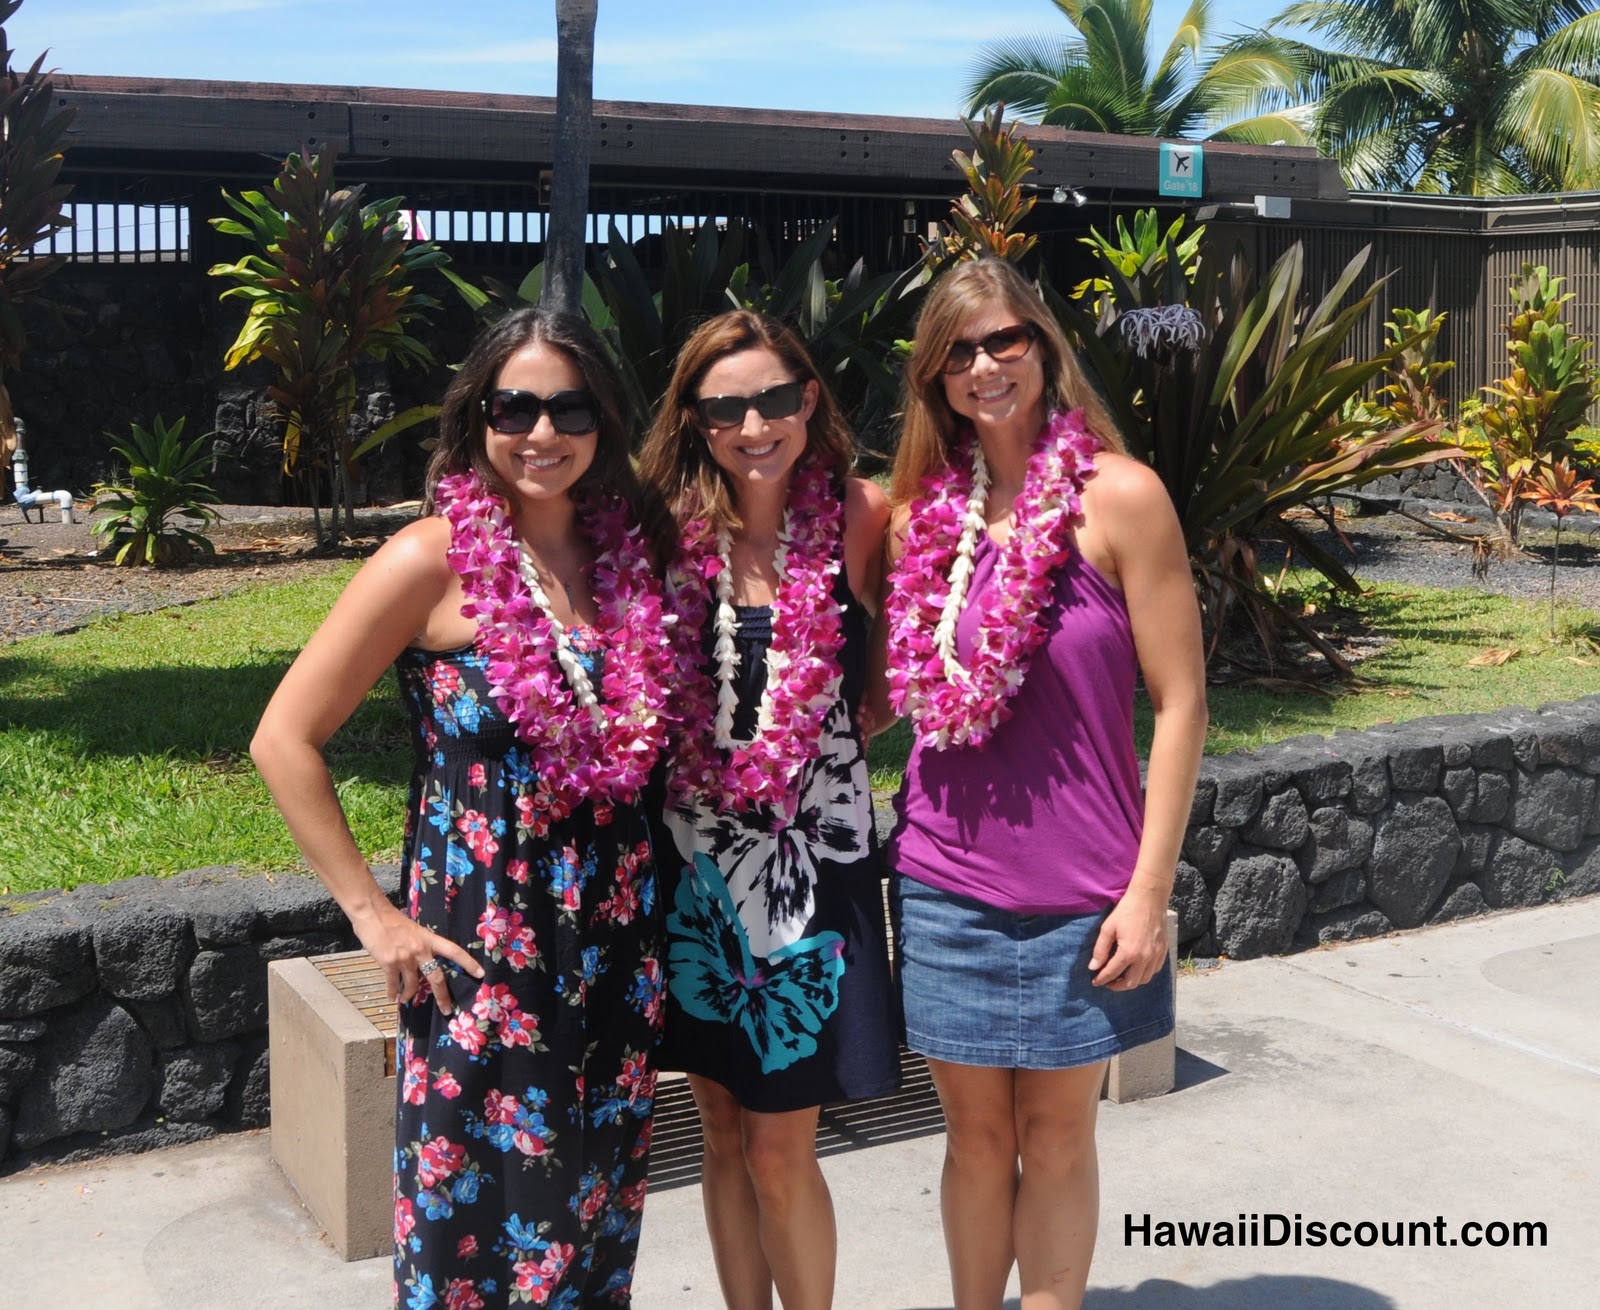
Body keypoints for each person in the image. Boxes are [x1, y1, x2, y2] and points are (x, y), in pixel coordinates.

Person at [251, 307, 676, 1309]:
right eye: (514, 407)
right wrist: (373, 915)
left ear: (605, 418)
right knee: (474, 1237)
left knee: (590, 1226)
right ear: (477, 418)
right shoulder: (428, 560)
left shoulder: (630, 560)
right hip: (480, 953)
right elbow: (283, 738)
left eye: (569, 407)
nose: (542, 432)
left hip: (616, 952)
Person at [875, 257, 1207, 1310]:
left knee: (1059, 1137)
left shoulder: (1122, 498)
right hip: (945, 883)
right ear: (935, 377)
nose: (984, 366)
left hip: (1087, 893)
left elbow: (1183, 703)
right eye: (959, 352)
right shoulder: (918, 520)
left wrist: (1149, 891)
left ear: (1042, 344)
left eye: (1003, 339)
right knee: (974, 1140)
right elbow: (878, 691)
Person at [637, 310, 901, 1310]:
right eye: (725, 408)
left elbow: (895, 671)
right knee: (719, 1130)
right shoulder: (658, 531)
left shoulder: (861, 516)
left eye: (774, 399)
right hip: (692, 868)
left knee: (781, 1144)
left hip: (812, 868)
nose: (754, 426)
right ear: (693, 419)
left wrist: (832, 731)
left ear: (810, 399)